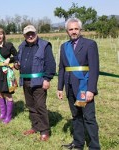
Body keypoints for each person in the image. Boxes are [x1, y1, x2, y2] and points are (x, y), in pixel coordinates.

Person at [57, 18, 100, 150]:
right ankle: (78, 143)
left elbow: (94, 69)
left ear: (80, 30)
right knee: (76, 116)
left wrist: (91, 90)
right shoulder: (64, 46)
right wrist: (60, 87)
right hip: (70, 86)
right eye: (71, 29)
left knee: (89, 118)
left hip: (84, 86)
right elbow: (62, 68)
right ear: (67, 31)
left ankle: (94, 146)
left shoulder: (90, 44)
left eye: (76, 29)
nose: (74, 31)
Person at [17, 25, 56, 141]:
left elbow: (50, 64)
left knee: (40, 106)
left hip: (39, 82)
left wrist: (47, 79)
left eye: (32, 33)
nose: (30, 36)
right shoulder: (22, 46)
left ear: (36, 33)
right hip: (25, 80)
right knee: (30, 105)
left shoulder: (44, 45)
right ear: (24, 35)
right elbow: (19, 60)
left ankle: (44, 131)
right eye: (27, 34)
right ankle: (35, 126)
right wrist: (16, 64)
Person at [0, 28, 18, 124]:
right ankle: (2, 114)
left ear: (4, 35)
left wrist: (10, 59)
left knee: (7, 94)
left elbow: (18, 56)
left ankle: (8, 117)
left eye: (0, 34)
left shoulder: (9, 45)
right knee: (0, 93)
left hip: (6, 73)